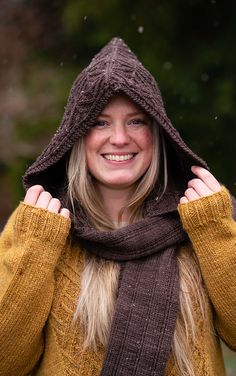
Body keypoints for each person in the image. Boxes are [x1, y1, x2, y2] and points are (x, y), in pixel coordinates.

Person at [0, 37, 235, 376]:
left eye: (136, 121)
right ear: (76, 134)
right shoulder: (37, 229)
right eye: (100, 122)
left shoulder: (203, 222)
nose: (120, 138)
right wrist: (37, 246)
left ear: (158, 133)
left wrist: (215, 231)